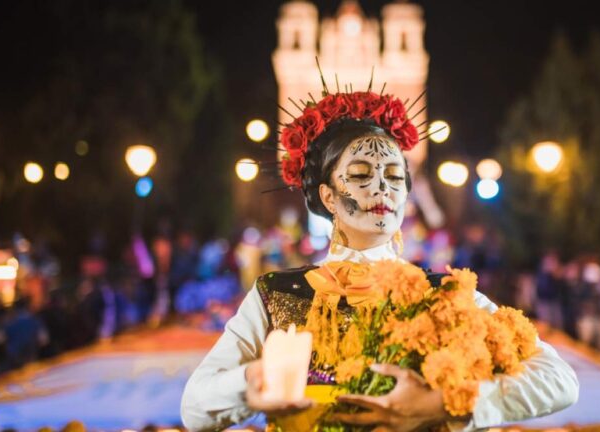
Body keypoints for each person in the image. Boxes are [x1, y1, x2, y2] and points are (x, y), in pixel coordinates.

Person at [181, 86, 579, 431]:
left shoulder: (444, 294)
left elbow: (559, 380)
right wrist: (254, 379)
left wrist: (445, 404)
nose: (381, 188)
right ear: (327, 197)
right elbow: (195, 408)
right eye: (359, 174)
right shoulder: (279, 293)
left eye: (394, 175)